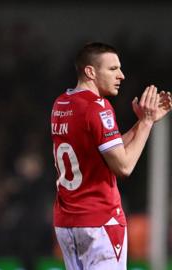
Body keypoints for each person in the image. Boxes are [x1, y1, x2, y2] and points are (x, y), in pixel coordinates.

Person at [51, 42, 172, 269]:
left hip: (67, 223)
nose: (122, 75)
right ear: (90, 72)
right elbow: (124, 166)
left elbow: (105, 149)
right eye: (113, 69)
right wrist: (145, 123)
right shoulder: (98, 107)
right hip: (100, 222)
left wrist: (142, 123)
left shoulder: (61, 103)